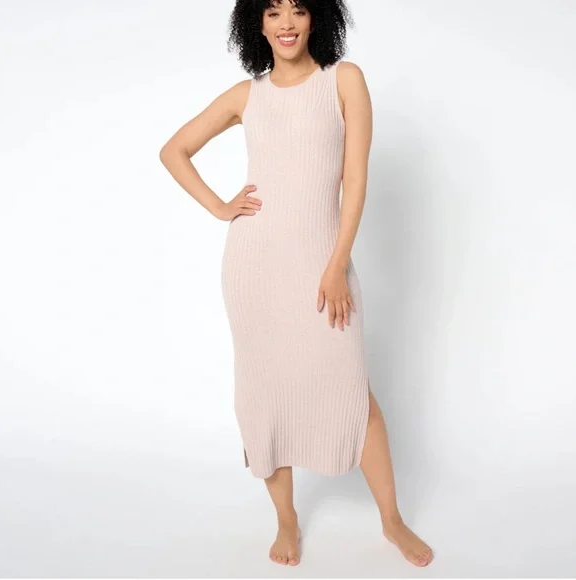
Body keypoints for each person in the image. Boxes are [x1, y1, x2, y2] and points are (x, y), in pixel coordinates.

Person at [159, 0, 433, 568]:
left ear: (317, 19)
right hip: (254, 268)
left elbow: (355, 178)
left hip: (322, 265)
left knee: (351, 391)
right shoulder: (247, 95)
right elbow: (173, 150)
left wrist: (336, 266)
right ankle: (286, 519)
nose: (286, 24)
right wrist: (221, 207)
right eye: (272, 12)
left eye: (298, 10)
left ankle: (391, 519)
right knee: (264, 396)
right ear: (256, 24)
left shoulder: (343, 81)